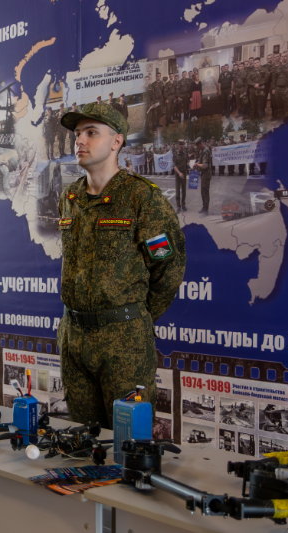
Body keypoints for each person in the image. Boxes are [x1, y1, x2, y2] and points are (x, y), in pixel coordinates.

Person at [55, 102, 186, 429]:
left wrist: (134, 318)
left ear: (117, 141)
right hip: (73, 337)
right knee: (82, 440)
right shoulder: (70, 198)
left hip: (123, 342)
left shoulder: (142, 198)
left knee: (128, 442)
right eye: (77, 133)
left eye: (91, 132)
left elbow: (169, 269)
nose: (79, 140)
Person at [273, 50, 288, 118]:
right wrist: (274, 88)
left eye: (285, 56)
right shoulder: (278, 66)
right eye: (282, 56)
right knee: (279, 107)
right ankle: (280, 121)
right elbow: (274, 79)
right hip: (278, 89)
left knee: (287, 107)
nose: (283, 58)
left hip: (287, 88)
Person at [194, 136, 212, 214]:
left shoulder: (205, 151)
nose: (197, 148)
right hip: (204, 174)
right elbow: (200, 160)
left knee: (205, 192)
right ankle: (204, 206)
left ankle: (206, 209)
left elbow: (204, 166)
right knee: (203, 191)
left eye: (198, 146)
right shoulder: (202, 150)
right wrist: (197, 163)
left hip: (206, 174)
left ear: (201, 144)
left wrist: (197, 165)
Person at [173, 140, 188, 212]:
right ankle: (178, 206)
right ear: (177, 146)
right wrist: (179, 173)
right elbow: (174, 166)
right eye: (180, 146)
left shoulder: (185, 153)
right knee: (178, 190)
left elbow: (187, 162)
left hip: (184, 173)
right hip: (178, 173)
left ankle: (183, 204)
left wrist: (190, 167)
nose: (182, 147)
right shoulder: (175, 154)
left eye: (183, 146)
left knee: (184, 189)